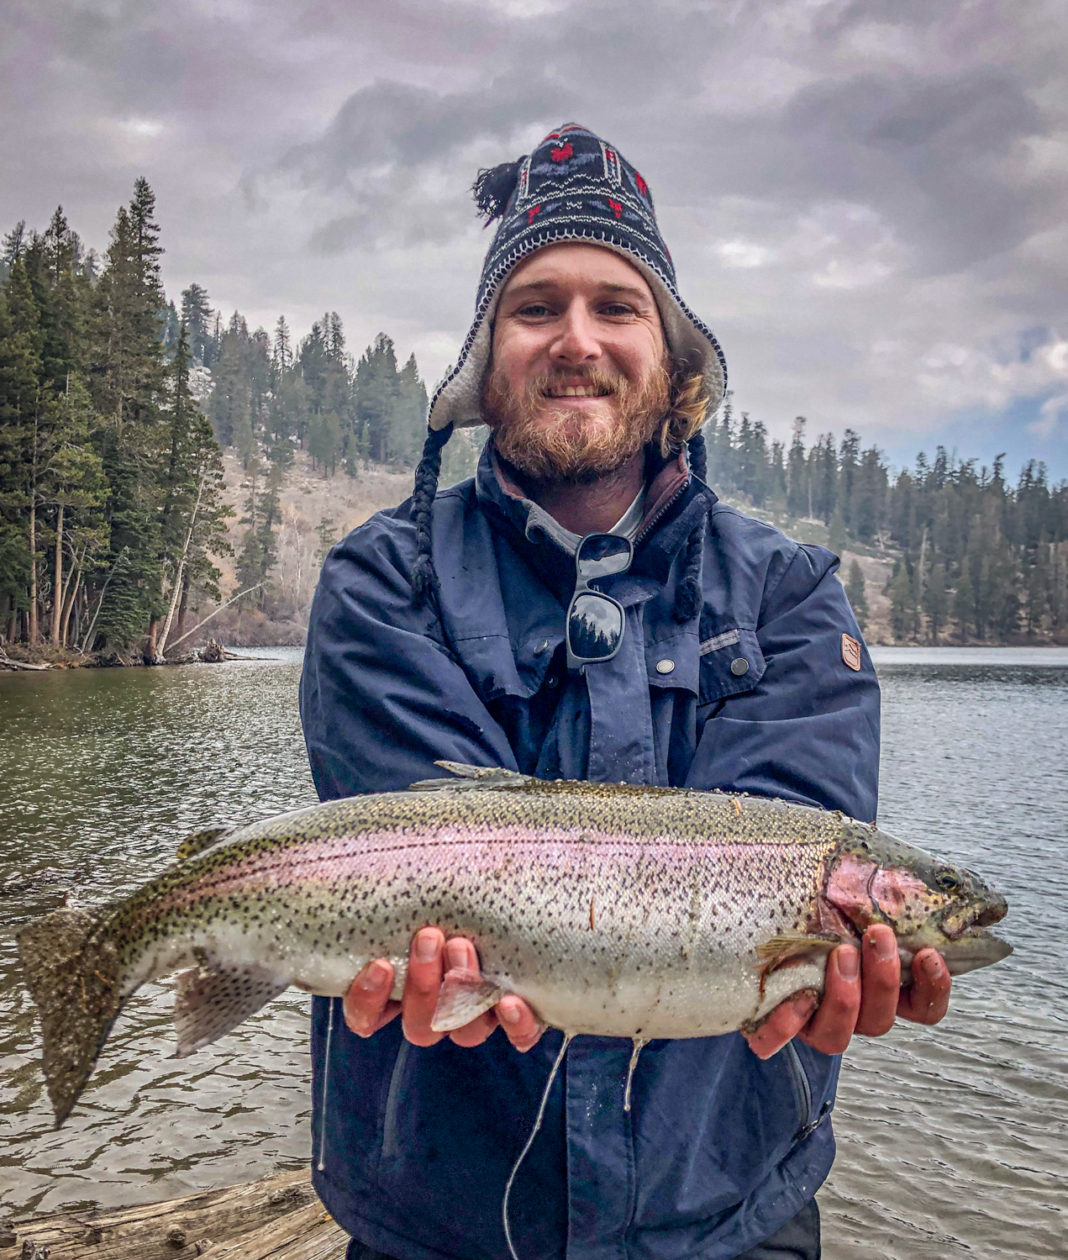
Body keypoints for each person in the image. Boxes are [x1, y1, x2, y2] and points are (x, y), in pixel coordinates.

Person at [299, 123, 952, 1260]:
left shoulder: (791, 595)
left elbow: (784, 848)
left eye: (618, 306)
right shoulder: (381, 579)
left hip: (727, 1214)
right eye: (536, 306)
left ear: (675, 360)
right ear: (484, 359)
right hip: (441, 1221)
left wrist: (830, 963)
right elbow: (429, 856)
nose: (577, 341)